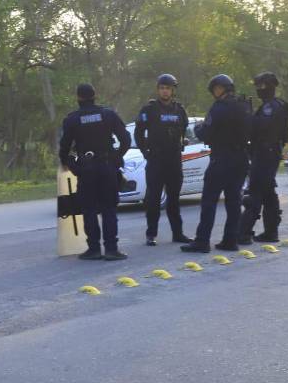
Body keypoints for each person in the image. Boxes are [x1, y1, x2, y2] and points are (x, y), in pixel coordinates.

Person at [59, 83, 131, 261]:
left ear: (78, 97)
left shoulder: (72, 119)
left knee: (89, 209)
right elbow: (126, 139)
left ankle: (94, 249)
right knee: (109, 209)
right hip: (107, 167)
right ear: (94, 96)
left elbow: (64, 148)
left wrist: (70, 165)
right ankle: (112, 249)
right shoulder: (108, 115)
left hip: (86, 169)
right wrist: (116, 157)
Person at [182, 74, 252, 253]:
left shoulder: (219, 108)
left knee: (209, 201)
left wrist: (198, 128)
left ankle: (202, 241)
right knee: (234, 201)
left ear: (220, 89)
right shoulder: (244, 105)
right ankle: (230, 240)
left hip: (222, 159)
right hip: (241, 158)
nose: (214, 93)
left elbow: (205, 133)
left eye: (215, 89)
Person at [134, 73, 192, 246]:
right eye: (162, 88)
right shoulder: (149, 110)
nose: (165, 91)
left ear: (173, 90)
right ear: (158, 90)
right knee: (153, 199)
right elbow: (138, 133)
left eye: (168, 88)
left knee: (174, 199)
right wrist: (146, 152)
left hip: (174, 159)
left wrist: (183, 142)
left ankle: (178, 234)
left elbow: (184, 131)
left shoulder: (179, 110)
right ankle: (151, 234)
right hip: (156, 160)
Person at [239, 72, 288, 245]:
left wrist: (247, 115)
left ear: (269, 86)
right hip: (269, 152)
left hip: (265, 153)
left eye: (261, 86)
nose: (258, 89)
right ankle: (271, 232)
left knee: (254, 192)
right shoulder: (278, 105)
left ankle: (244, 233)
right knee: (268, 194)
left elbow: (259, 127)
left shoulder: (271, 107)